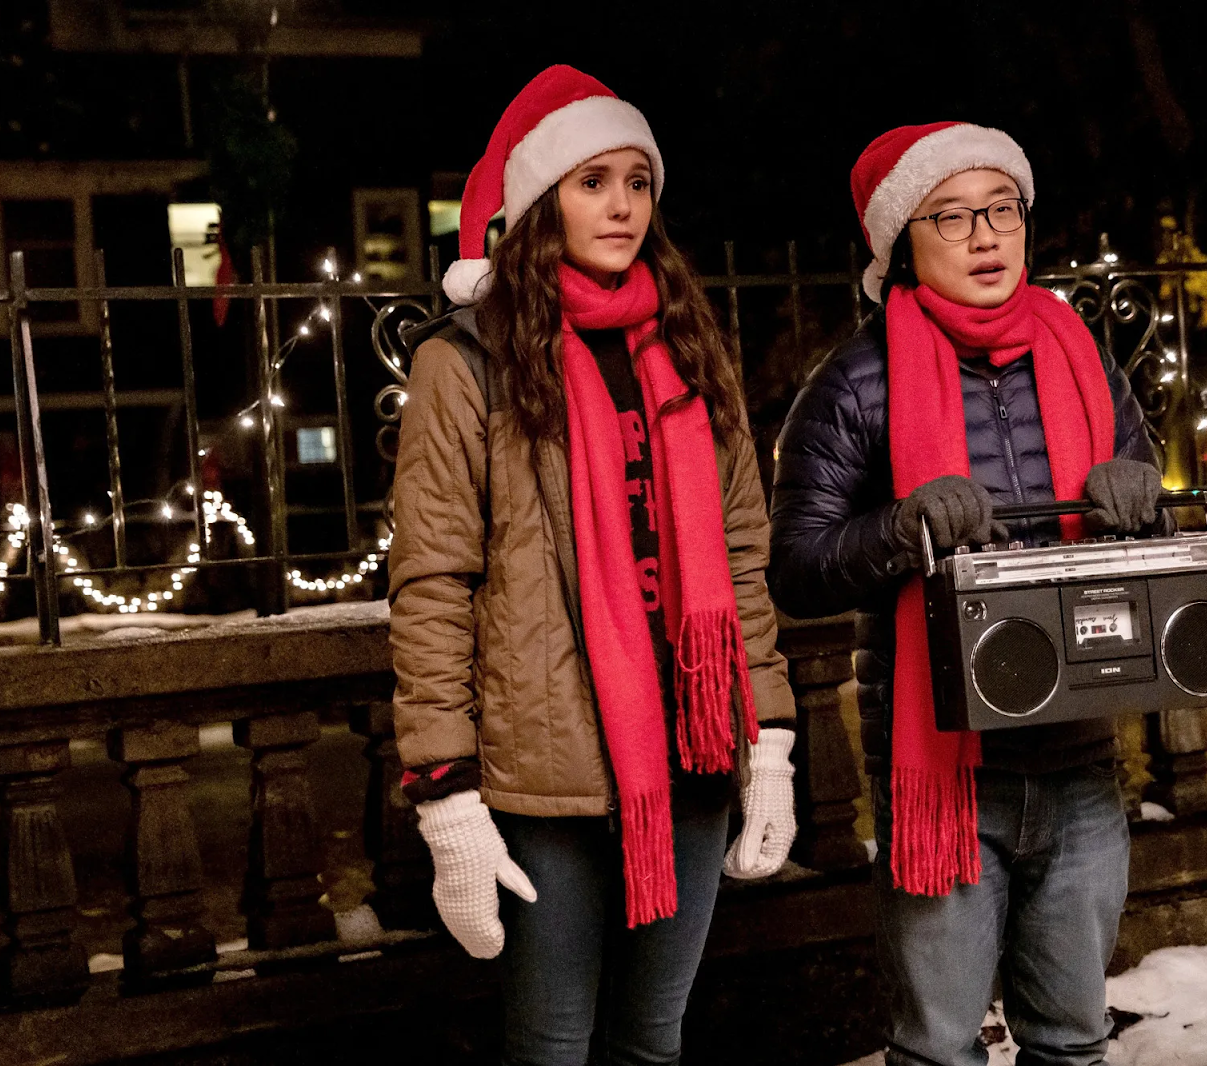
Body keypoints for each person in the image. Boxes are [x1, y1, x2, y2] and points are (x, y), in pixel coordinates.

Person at [388, 65, 797, 1066]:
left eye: (637, 181)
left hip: (692, 753)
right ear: (539, 201)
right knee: (552, 1046)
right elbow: (433, 580)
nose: (620, 205)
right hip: (545, 775)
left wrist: (771, 739)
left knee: (653, 1038)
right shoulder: (468, 361)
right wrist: (446, 793)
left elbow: (742, 551)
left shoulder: (691, 344)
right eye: (591, 181)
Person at [768, 122, 1165, 1066]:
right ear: (903, 241)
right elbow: (797, 565)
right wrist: (903, 527)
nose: (985, 236)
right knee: (940, 1048)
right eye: (952, 217)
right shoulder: (856, 384)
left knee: (1073, 1039)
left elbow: (1147, 497)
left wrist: (1136, 499)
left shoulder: (1081, 352)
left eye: (1001, 210)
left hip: (1079, 760)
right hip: (942, 774)